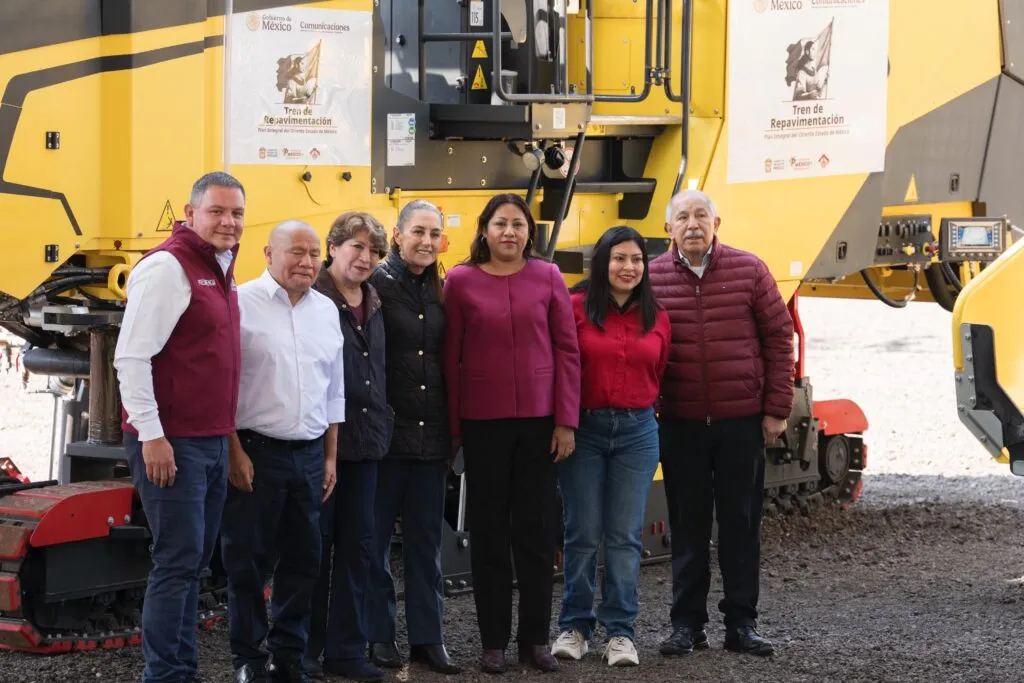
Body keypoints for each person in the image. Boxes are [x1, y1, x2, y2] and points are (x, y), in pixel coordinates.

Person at [648, 189, 794, 658]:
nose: (693, 224)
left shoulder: (749, 270)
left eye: (701, 216)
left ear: (717, 222)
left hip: (740, 421)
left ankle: (742, 624)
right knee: (688, 526)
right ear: (669, 229)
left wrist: (776, 409)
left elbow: (778, 337)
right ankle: (686, 625)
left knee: (740, 524)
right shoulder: (650, 278)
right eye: (682, 218)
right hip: (680, 422)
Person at [114, 171, 246, 683]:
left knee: (193, 562)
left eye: (236, 213)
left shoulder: (220, 266)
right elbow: (131, 357)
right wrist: (151, 435)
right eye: (216, 211)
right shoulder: (169, 267)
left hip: (208, 440)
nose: (228, 222)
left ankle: (179, 669)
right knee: (175, 562)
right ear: (190, 214)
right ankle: (165, 675)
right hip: (173, 444)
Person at [442, 193, 581, 674]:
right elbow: (450, 358)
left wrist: (566, 421)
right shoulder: (459, 281)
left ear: (529, 232)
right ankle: (493, 643)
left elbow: (567, 350)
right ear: (484, 230)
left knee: (537, 533)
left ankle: (536, 641)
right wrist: (455, 431)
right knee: (490, 536)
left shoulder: (548, 276)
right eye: (500, 224)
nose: (509, 232)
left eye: (518, 225)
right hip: (483, 424)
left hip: (540, 424)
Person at [221, 220, 344, 683]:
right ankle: (248, 659)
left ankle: (287, 656)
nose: (307, 262)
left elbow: (335, 391)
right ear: (268, 254)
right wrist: (233, 451)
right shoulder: (240, 305)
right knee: (247, 561)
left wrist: (330, 456)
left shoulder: (326, 310)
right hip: (255, 451)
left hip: (311, 455)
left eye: (314, 253)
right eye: (296, 252)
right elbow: (223, 386)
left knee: (303, 560)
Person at [550, 226, 671, 667]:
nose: (628, 267)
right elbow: (561, 367)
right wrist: (564, 424)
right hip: (582, 430)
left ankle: (621, 632)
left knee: (623, 537)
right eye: (619, 258)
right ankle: (575, 626)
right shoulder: (576, 306)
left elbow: (658, 369)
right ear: (602, 262)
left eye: (636, 259)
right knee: (581, 532)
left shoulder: (657, 315)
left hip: (638, 432)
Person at [365, 200, 459, 674]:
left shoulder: (445, 289)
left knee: (426, 545)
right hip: (384, 440)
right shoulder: (375, 286)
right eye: (417, 231)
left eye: (434, 233)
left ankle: (429, 638)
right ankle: (379, 635)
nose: (426, 241)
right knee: (374, 543)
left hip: (431, 438)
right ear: (398, 235)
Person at [302, 211, 390, 682]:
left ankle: (346, 652)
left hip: (367, 445)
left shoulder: (374, 299)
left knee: (359, 550)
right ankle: (306, 650)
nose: (365, 257)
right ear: (333, 247)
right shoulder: (312, 298)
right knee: (313, 551)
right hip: (320, 444)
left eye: (374, 251)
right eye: (356, 247)